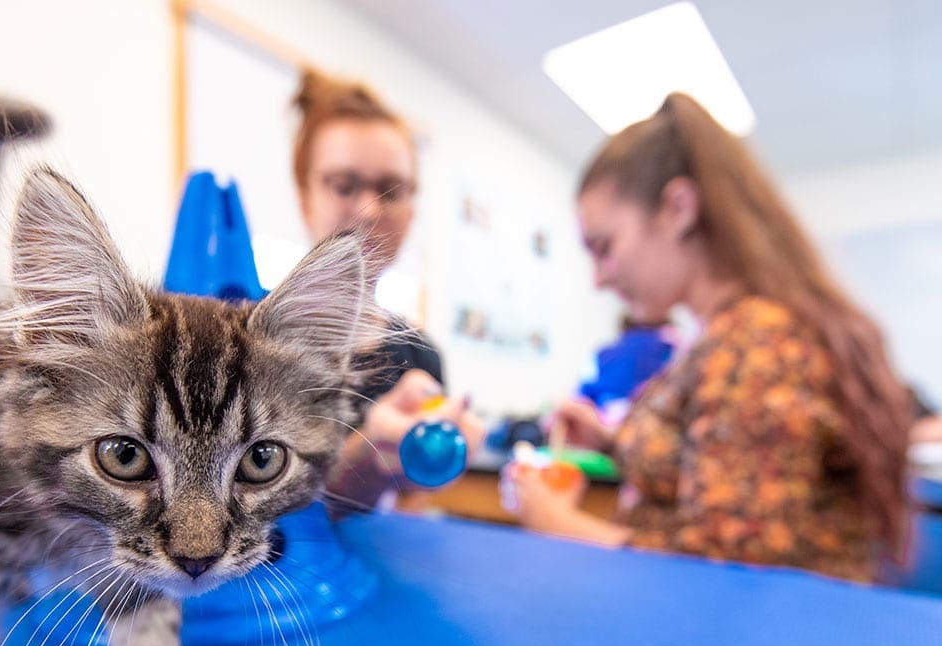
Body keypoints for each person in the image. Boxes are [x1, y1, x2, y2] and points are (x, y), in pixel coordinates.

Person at [507, 93, 911, 582]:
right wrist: (610, 439)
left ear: (678, 208)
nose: (597, 278)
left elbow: (726, 569)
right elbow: (716, 460)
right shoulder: (728, 335)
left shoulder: (757, 343)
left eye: (604, 247)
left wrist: (556, 522)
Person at [290, 70, 483, 513]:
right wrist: (360, 460)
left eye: (391, 190)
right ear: (304, 199)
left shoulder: (419, 356)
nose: (369, 210)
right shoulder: (244, 342)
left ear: (413, 210)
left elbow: (414, 505)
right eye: (344, 185)